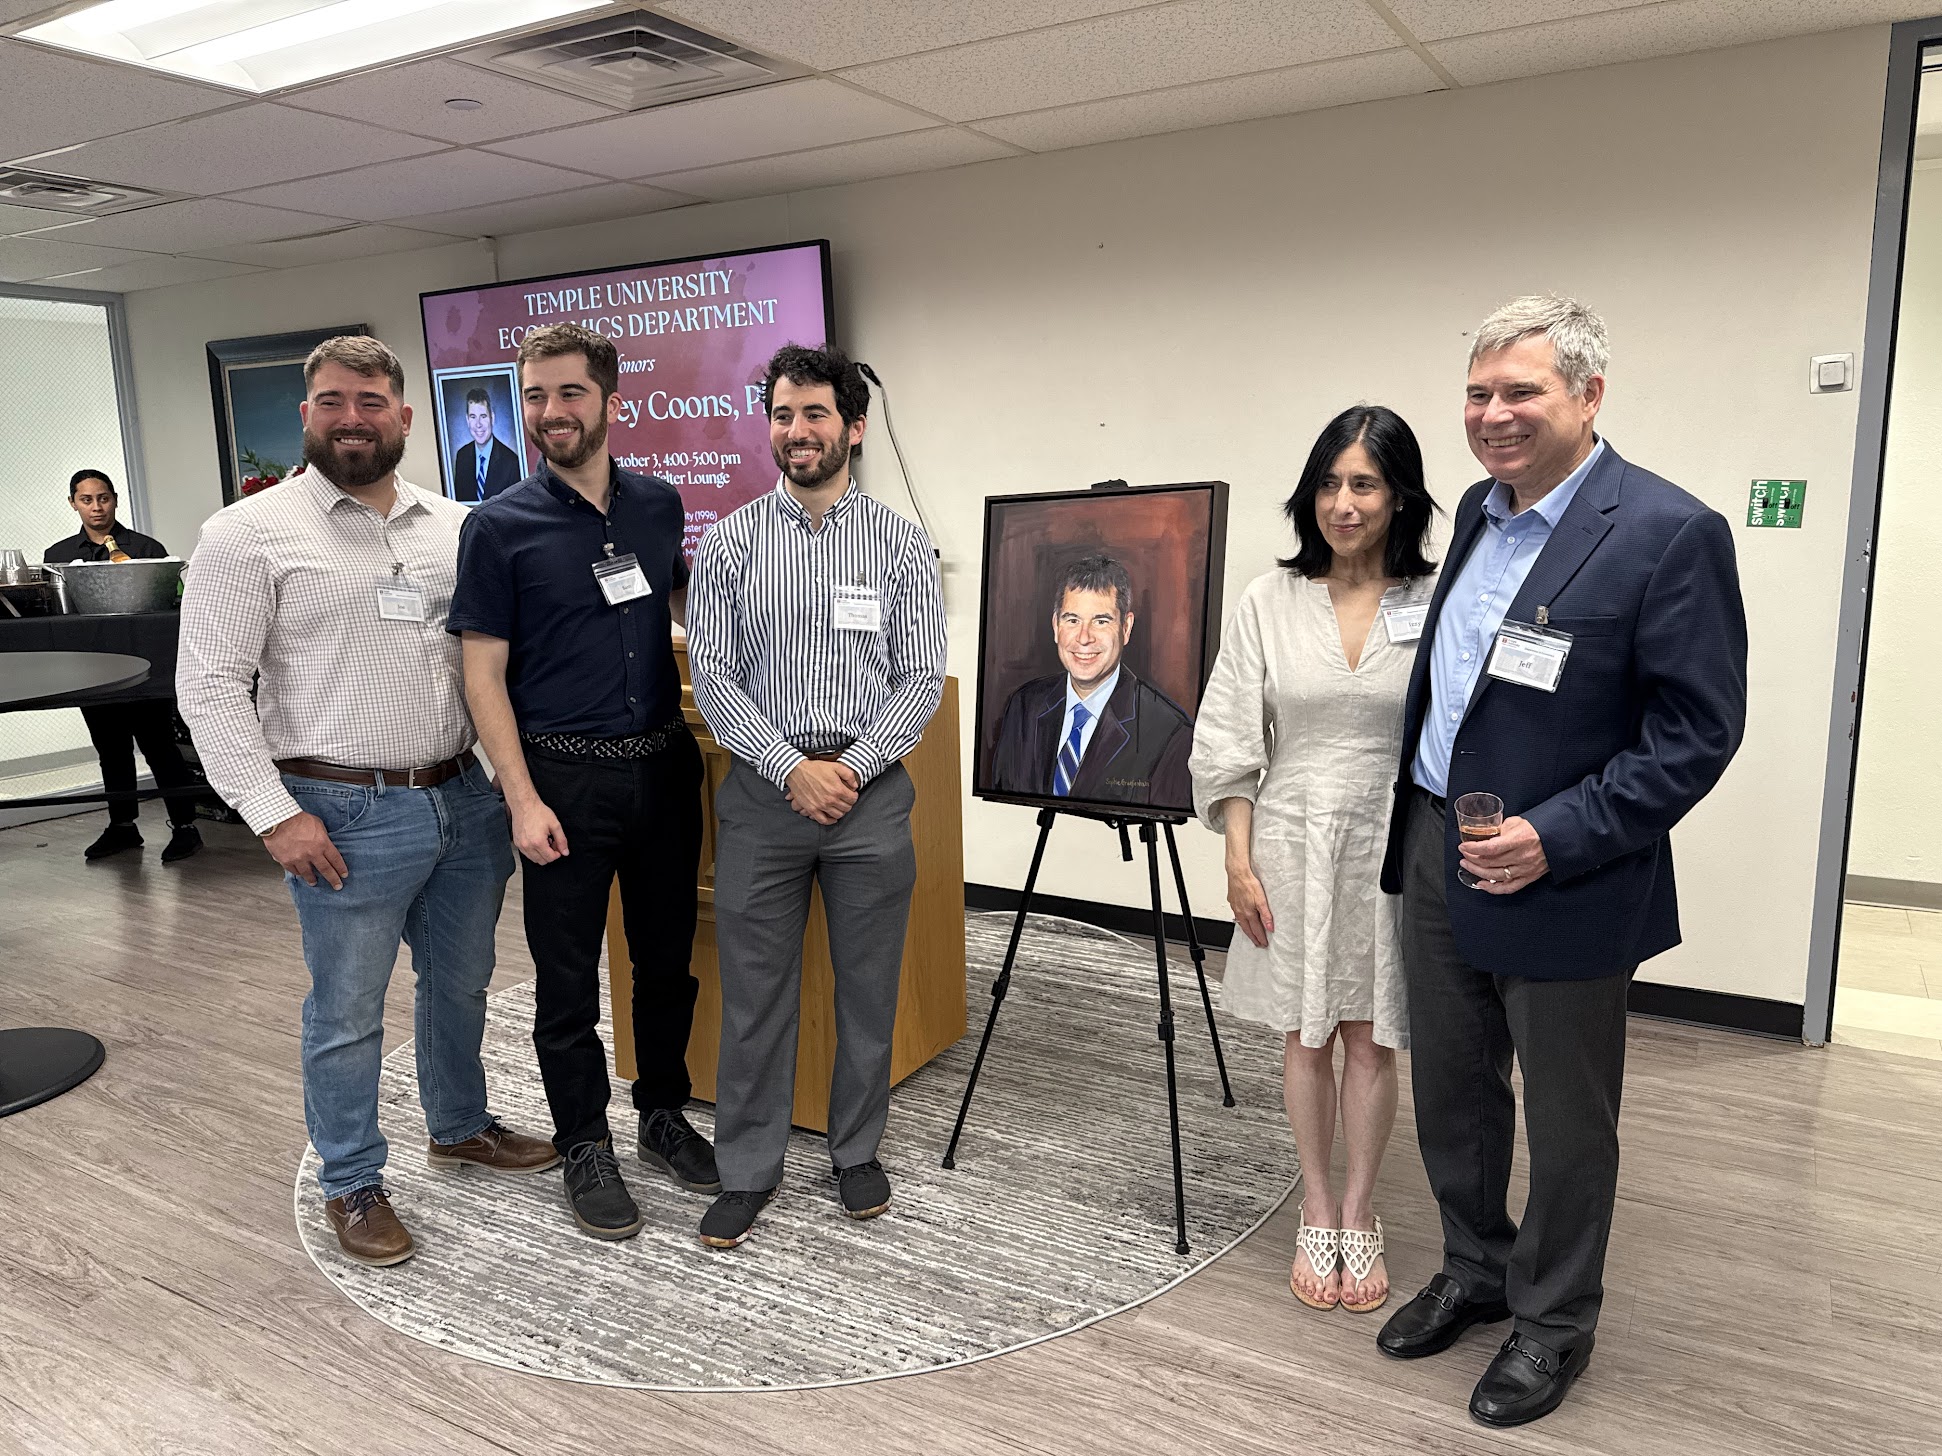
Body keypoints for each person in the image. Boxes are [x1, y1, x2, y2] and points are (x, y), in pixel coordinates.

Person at [1374, 295, 1747, 1427]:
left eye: (1520, 391)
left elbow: (1696, 731)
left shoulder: (1666, 531)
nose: (1493, 413)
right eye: (1479, 393)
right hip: (1441, 845)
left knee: (1569, 1117)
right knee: (1450, 1087)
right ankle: (1475, 1266)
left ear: (1589, 396)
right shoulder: (1483, 520)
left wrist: (1560, 833)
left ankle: (1552, 1321)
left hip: (1567, 874)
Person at [178, 335, 557, 1271]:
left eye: (372, 402)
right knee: (346, 1011)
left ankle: (459, 1124)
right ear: (306, 415)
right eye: (334, 402)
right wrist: (272, 813)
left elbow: (490, 661)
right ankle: (351, 1178)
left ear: (405, 415)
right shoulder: (246, 534)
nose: (354, 418)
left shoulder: (460, 525)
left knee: (462, 984)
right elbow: (209, 687)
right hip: (337, 811)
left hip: (460, 800)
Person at [450, 322, 715, 1242]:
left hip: (662, 769)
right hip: (560, 779)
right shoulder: (498, 526)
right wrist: (520, 797)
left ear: (610, 402)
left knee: (666, 963)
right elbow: (481, 674)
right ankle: (583, 1144)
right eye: (533, 395)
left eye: (568, 394)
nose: (549, 412)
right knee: (565, 982)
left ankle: (662, 1112)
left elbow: (681, 609)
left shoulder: (658, 505)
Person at [686, 342, 946, 1249]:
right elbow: (714, 676)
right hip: (763, 797)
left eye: (816, 415)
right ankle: (747, 1168)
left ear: (855, 427)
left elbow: (922, 679)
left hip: (868, 795)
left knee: (867, 989)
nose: (797, 432)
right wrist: (788, 765)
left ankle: (856, 1150)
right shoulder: (729, 542)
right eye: (783, 415)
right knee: (757, 991)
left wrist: (851, 766)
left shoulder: (902, 543)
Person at [1191, 406, 1438, 1317]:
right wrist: (1238, 863)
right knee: (1306, 1030)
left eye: (1364, 483)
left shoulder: (1434, 598)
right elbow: (1228, 737)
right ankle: (1317, 1204)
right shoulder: (1270, 598)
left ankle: (1363, 1210)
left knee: (1373, 1035)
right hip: (1288, 839)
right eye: (1329, 484)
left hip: (1390, 842)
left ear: (1398, 495)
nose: (1343, 502)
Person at [44, 469, 203, 862]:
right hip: (93, 669)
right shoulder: (58, 556)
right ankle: (123, 828)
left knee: (160, 748)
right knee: (110, 750)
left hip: (145, 667)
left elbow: (169, 608)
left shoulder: (148, 548)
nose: (96, 507)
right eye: (86, 500)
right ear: (73, 504)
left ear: (115, 499)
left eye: (103, 498)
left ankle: (186, 828)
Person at [987, 554, 1193, 807]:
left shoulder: (1170, 733)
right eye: (1072, 620)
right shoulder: (1024, 706)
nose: (1084, 638)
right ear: (1055, 626)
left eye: (1100, 621)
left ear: (1126, 628)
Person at [450, 388, 523, 502]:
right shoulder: (462, 456)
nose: (478, 424)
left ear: (492, 418)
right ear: (467, 419)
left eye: (483, 416)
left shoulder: (511, 461)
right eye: (473, 417)